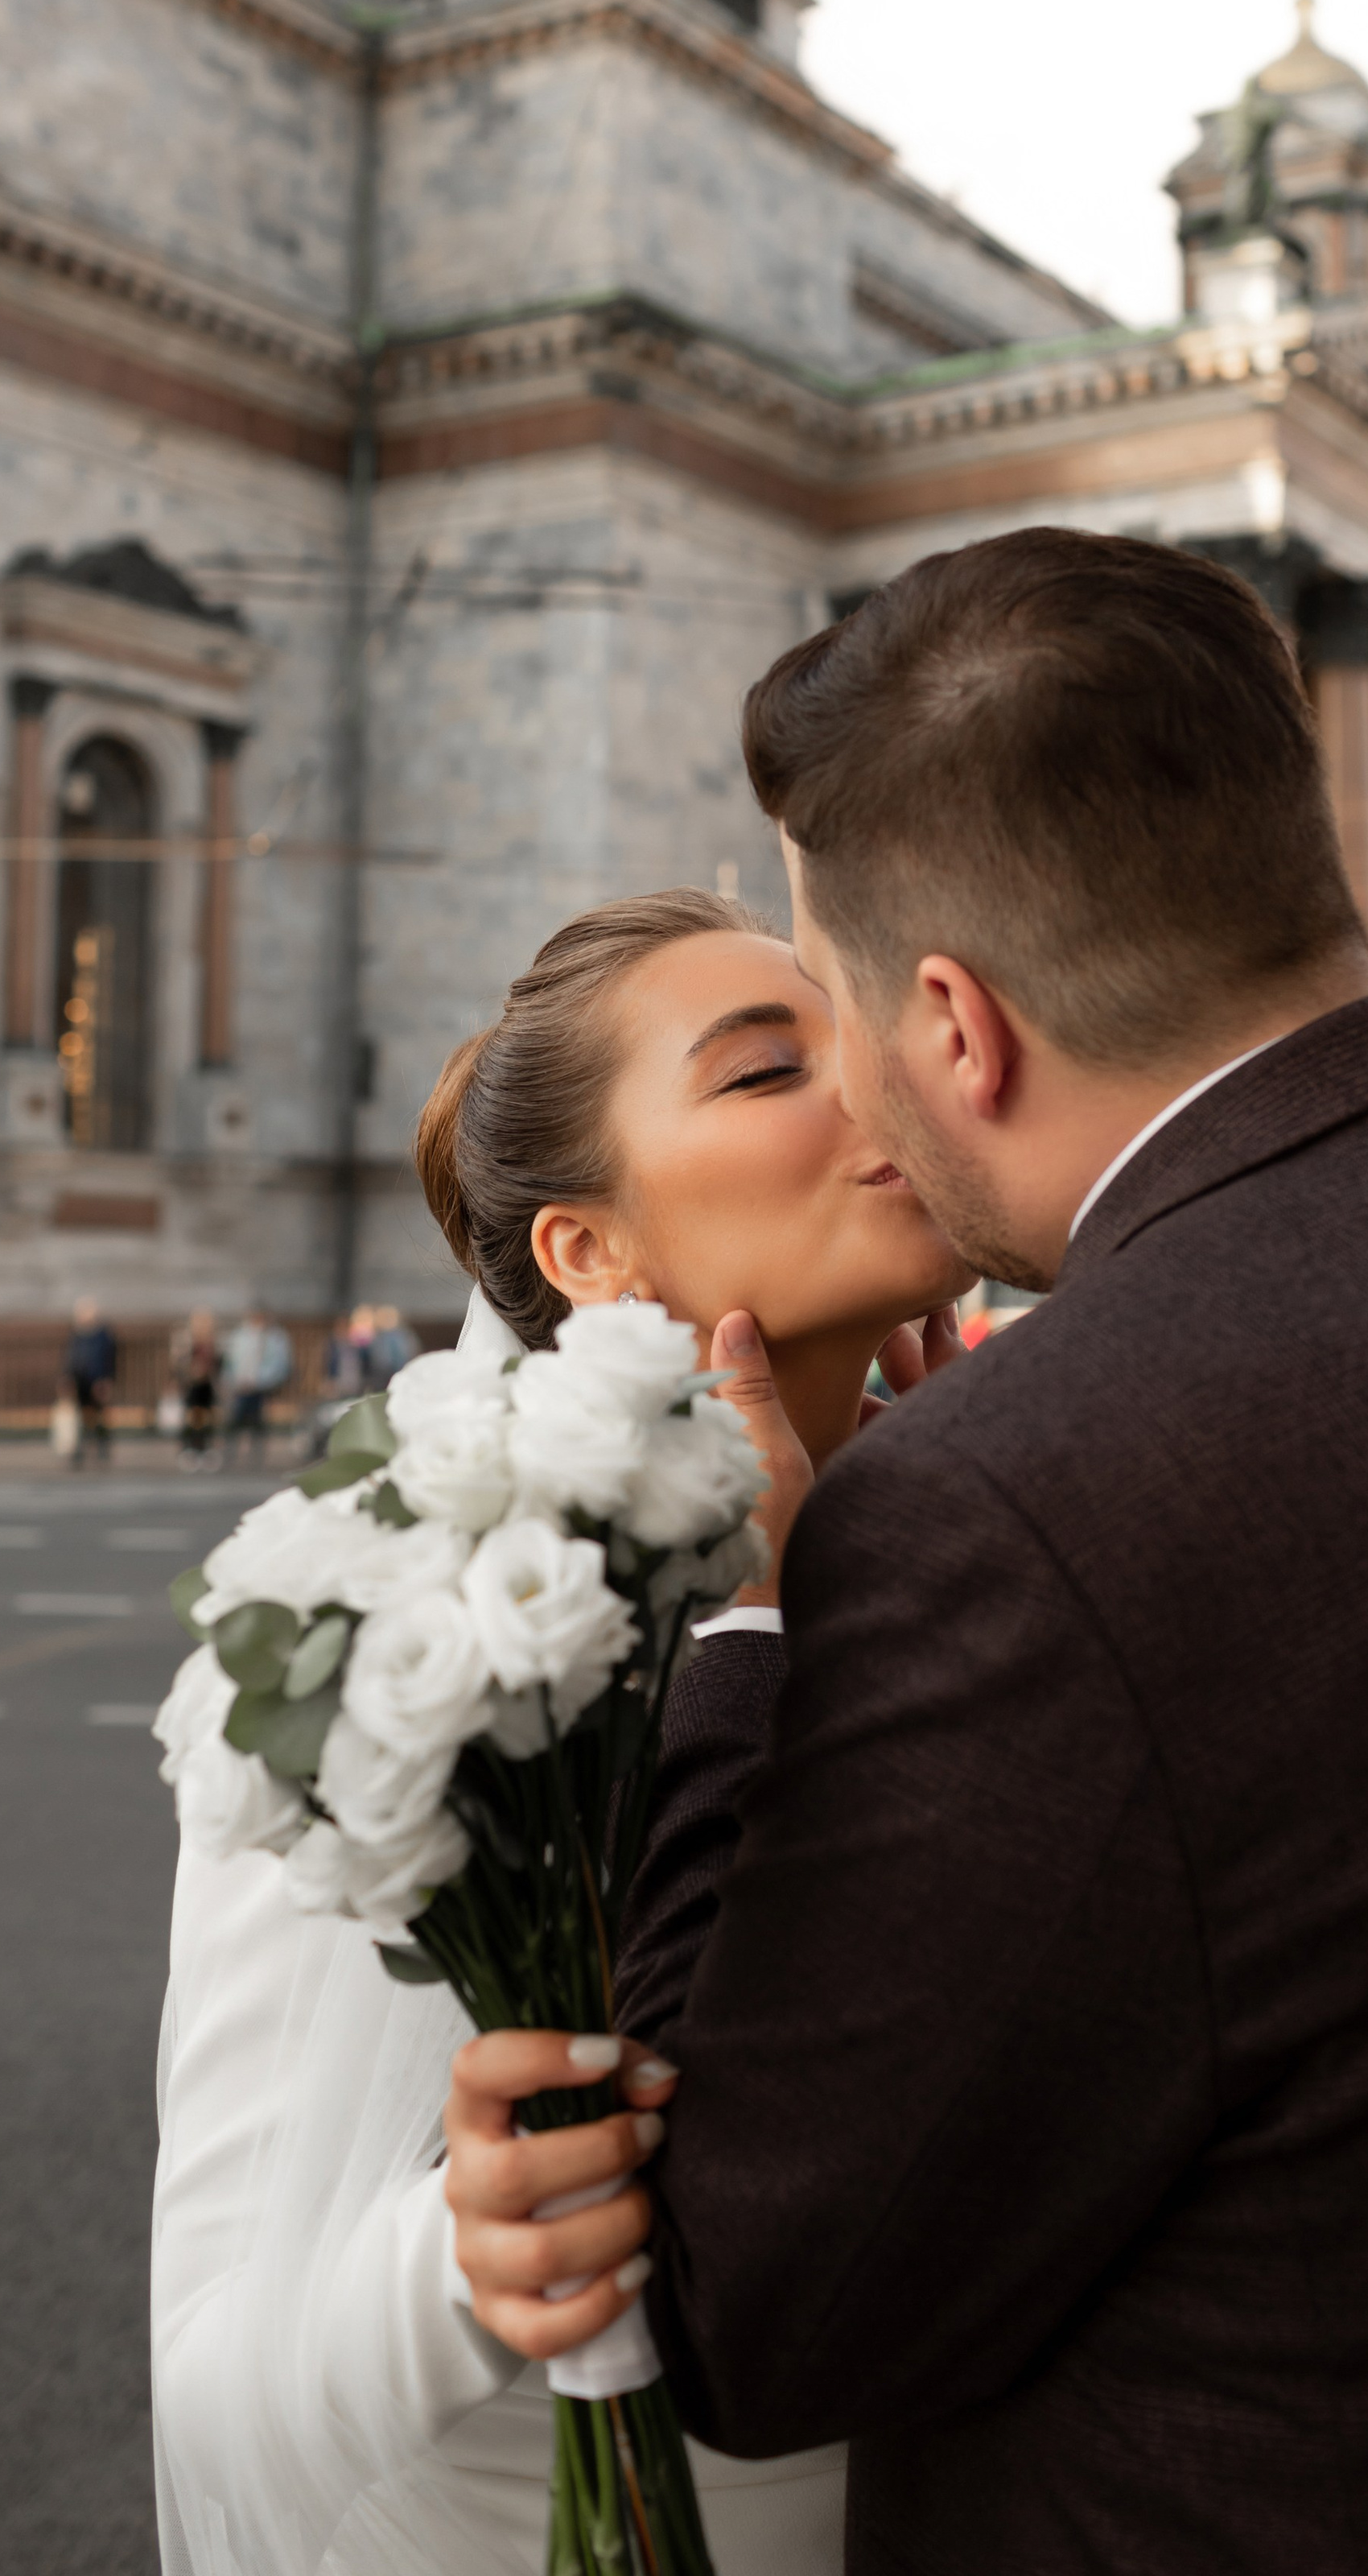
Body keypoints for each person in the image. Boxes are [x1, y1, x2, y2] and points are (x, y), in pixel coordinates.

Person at [446, 530, 1368, 2572]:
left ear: (955, 1027)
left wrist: (745, 1611)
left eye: (834, 1009)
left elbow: (741, 2295)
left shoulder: (1010, 1493)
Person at [150, 889, 973, 2576]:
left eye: (860, 1027)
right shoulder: (426, 1626)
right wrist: (467, 2265)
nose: (874, 1078)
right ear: (586, 1253)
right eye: (764, 1071)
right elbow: (214, 2372)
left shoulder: (988, 1541)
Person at [220, 1305, 291, 1463]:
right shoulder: (240, 1335)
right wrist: (232, 1381)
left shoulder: (275, 1337)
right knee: (235, 1421)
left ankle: (256, 1457)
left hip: (261, 1387)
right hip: (240, 1387)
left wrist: (260, 1381)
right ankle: (229, 1455)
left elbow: (280, 1365)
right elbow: (230, 1361)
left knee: (257, 1422)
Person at [64, 1294, 117, 1468]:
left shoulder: (103, 1335)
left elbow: (109, 1360)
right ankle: (81, 1448)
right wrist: (68, 1378)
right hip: (81, 1380)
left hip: (98, 1381)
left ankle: (102, 1448)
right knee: (82, 1416)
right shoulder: (77, 1334)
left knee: (100, 1416)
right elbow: (71, 1359)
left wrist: (107, 1380)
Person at [169, 1310, 219, 1473]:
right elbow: (177, 1364)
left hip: (206, 1388)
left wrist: (207, 1372)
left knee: (206, 1421)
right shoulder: (185, 1340)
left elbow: (218, 1364)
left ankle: (205, 1451)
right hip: (191, 1387)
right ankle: (189, 1450)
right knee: (191, 1420)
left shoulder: (212, 1343)